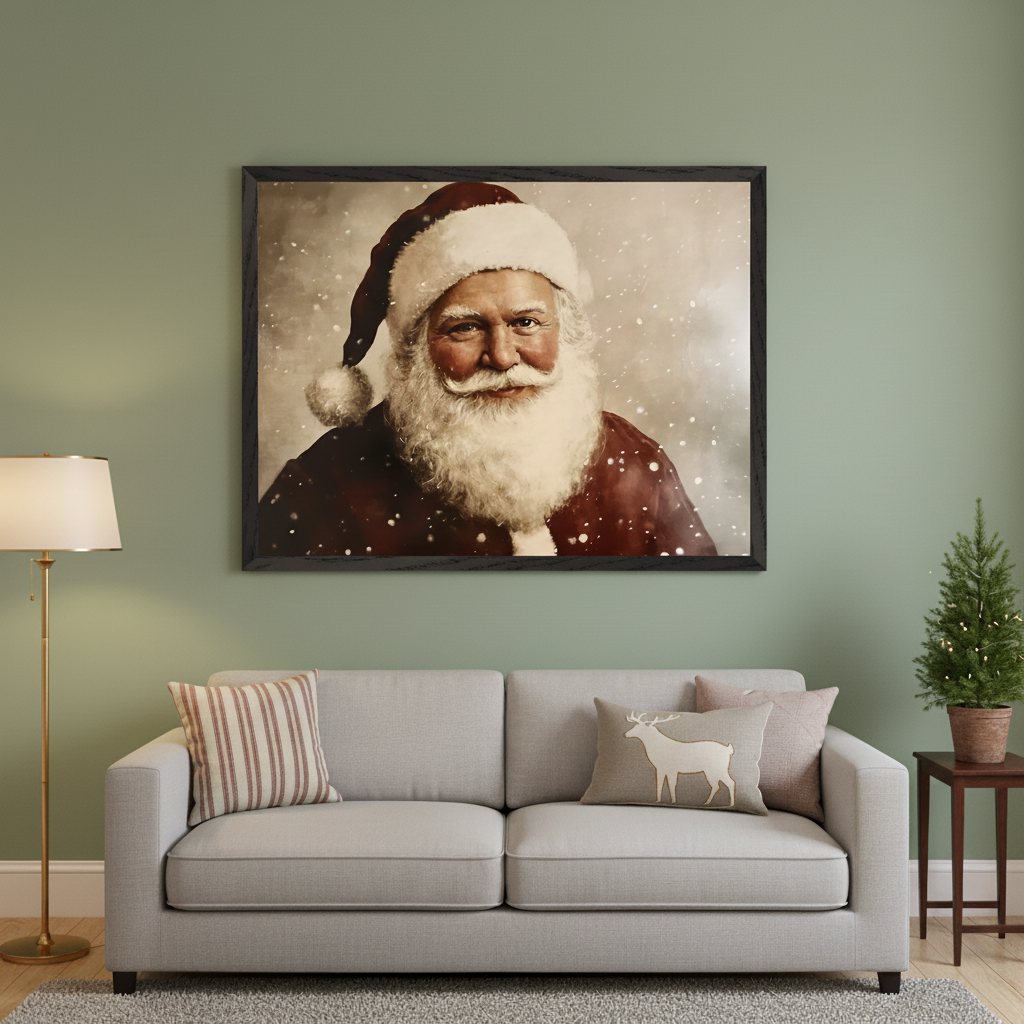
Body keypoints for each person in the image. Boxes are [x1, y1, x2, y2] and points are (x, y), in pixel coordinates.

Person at [258, 182, 716, 558]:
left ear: (565, 331)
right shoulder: (324, 485)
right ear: (414, 348)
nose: (501, 356)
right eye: (465, 328)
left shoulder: (632, 459)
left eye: (526, 323)